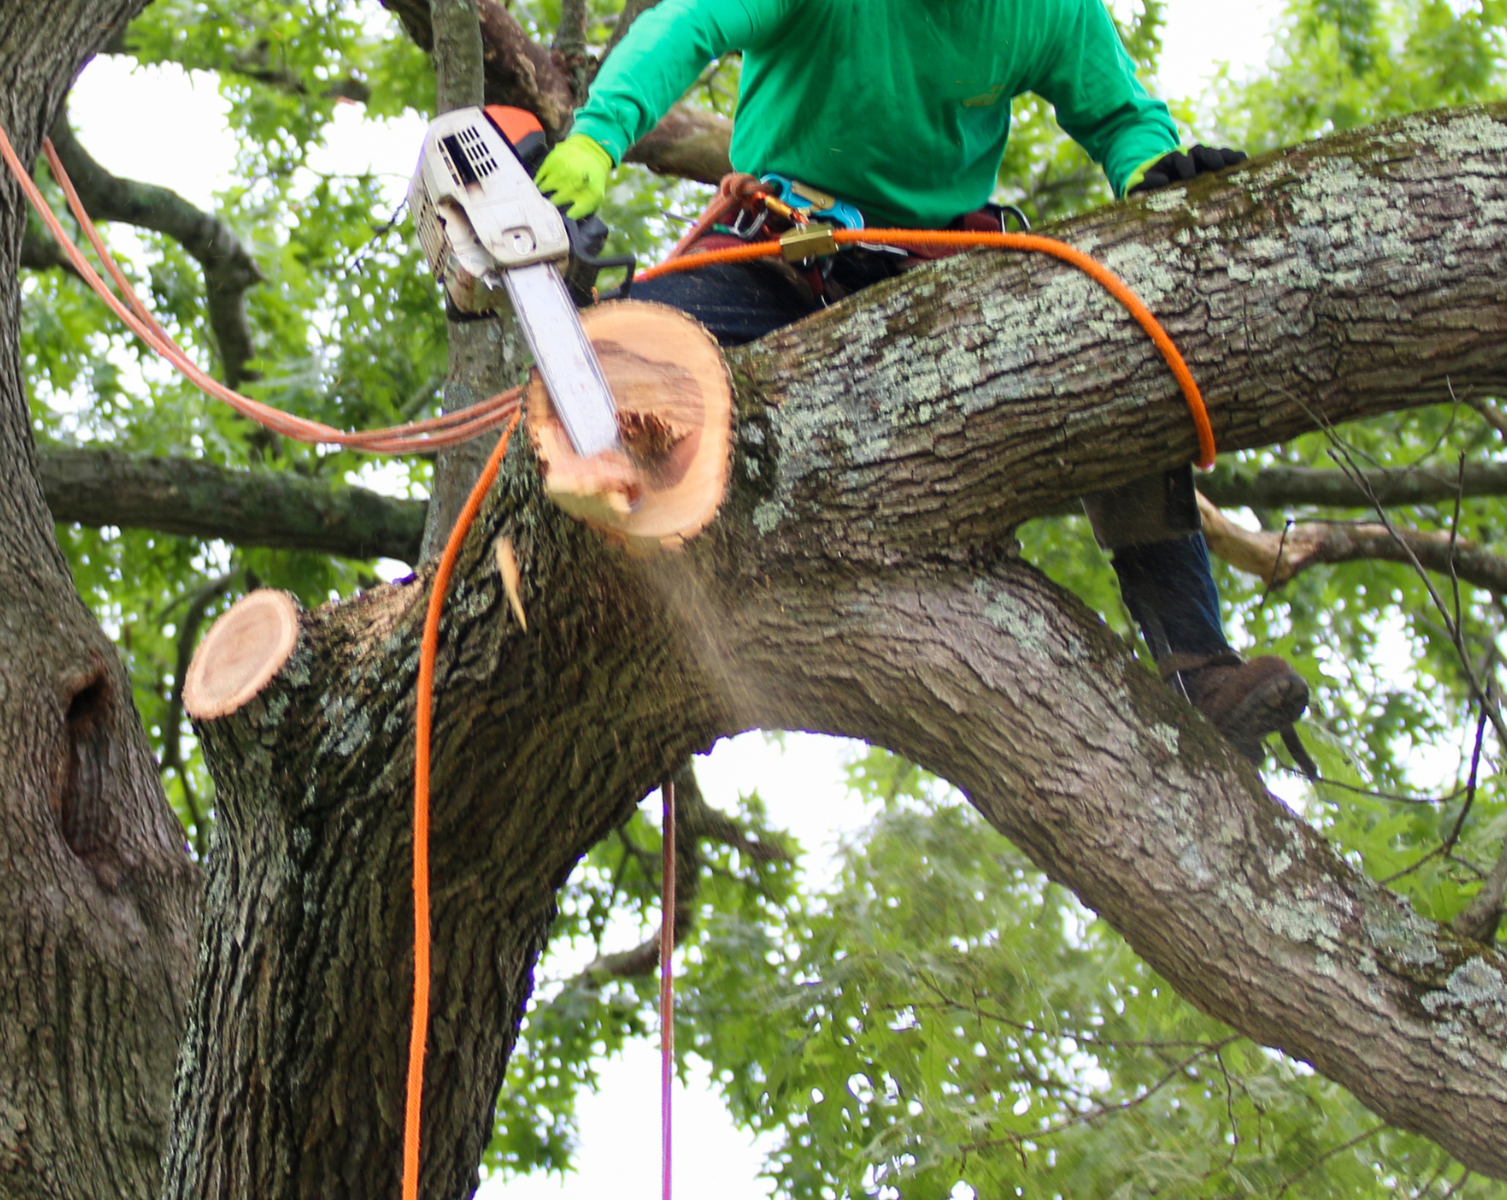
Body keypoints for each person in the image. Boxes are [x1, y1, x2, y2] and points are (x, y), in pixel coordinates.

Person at [532, 0, 1311, 763]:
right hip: (780, 256)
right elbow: (690, 22)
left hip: (939, 281)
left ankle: (1198, 669)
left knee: (1115, 351)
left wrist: (1149, 172)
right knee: (623, 363)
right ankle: (602, 572)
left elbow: (1119, 116)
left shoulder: (1049, 10)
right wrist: (601, 137)